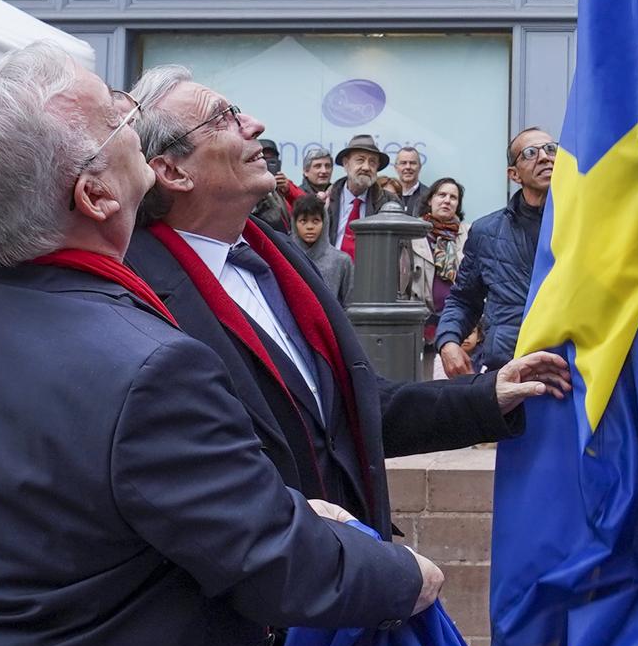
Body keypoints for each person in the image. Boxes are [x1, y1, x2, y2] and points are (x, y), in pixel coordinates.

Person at [0, 42, 442, 646]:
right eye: (118, 116)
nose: (134, 119)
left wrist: (280, 506)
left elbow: (91, 506)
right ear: (93, 193)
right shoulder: (147, 365)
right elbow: (276, 567)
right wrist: (404, 575)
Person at [123, 67, 567, 533]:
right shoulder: (136, 296)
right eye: (223, 119)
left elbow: (355, 410)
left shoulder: (283, 260)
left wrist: (486, 395)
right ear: (172, 171)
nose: (253, 124)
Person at [437, 127, 554, 377]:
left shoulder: (585, 225)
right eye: (531, 152)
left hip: (570, 369)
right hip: (509, 370)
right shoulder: (486, 231)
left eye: (551, 149)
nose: (545, 157)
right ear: (514, 174)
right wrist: (448, 340)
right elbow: (464, 299)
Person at [405, 178, 468, 379]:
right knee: (422, 382)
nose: (447, 201)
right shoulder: (413, 234)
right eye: (441, 195)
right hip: (421, 323)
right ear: (430, 200)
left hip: (457, 321)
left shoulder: (468, 234)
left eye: (453, 197)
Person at [327, 132, 386, 251]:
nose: (366, 167)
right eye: (360, 160)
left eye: (372, 162)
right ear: (346, 163)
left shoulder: (388, 203)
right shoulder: (326, 201)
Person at [290, 192, 353, 302]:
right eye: (303, 221)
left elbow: (350, 304)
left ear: (325, 223)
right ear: (295, 224)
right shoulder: (285, 257)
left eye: (316, 221)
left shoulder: (341, 261)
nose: (310, 227)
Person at [248, 138, 294, 235]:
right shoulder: (249, 190)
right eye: (264, 159)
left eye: (272, 159)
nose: (268, 164)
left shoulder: (286, 187)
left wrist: (288, 192)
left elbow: (304, 208)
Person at [394, 145, 430, 215]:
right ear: (396, 167)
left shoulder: (428, 196)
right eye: (403, 163)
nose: (408, 167)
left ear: (419, 167)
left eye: (412, 163)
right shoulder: (386, 195)